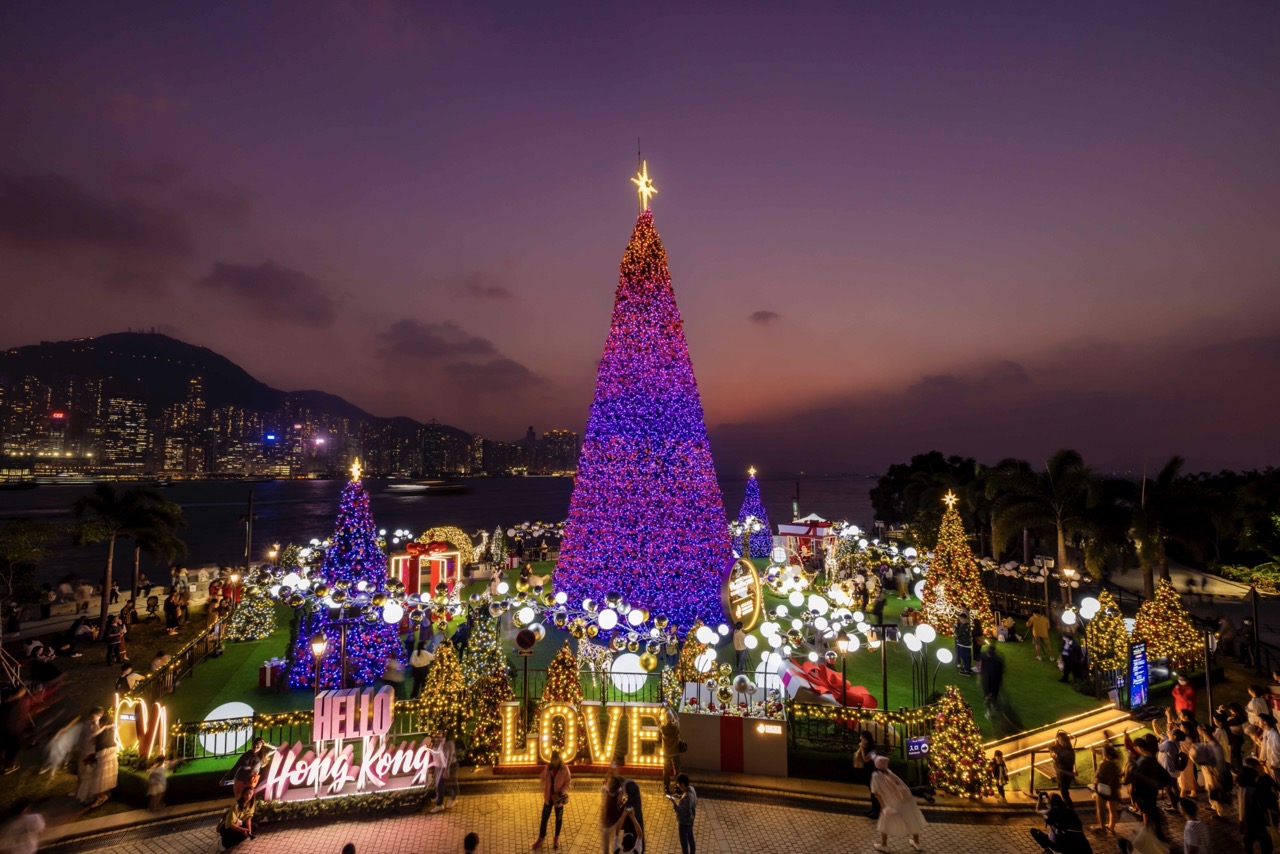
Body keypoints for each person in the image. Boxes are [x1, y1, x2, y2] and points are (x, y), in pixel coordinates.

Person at [870, 755, 926, 852]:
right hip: (906, 801)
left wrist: (883, 806)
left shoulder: (875, 776)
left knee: (885, 822)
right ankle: (917, 843)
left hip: (892, 803)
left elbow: (877, 793)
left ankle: (884, 845)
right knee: (912, 819)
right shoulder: (889, 772)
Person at [532, 749, 571, 850]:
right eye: (553, 760)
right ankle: (541, 837)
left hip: (558, 800)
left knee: (559, 819)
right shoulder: (548, 768)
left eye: (556, 759)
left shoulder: (564, 769)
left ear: (559, 759)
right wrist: (543, 776)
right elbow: (542, 777)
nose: (554, 762)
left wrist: (560, 793)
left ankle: (556, 838)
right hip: (548, 799)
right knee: (544, 819)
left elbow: (568, 783)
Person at [1238, 756, 1278, 854]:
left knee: (1248, 839)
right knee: (1265, 842)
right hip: (1259, 820)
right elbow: (1263, 805)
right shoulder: (1255, 790)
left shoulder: (1243, 787)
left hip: (1248, 817)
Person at [75, 707, 105, 805]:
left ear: (99, 716)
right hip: (85, 751)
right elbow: (83, 737)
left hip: (92, 753)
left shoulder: (99, 725)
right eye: (91, 715)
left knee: (90, 775)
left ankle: (90, 796)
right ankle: (82, 793)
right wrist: (79, 748)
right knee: (83, 773)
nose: (91, 717)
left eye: (93, 715)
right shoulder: (87, 724)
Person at [1092, 744, 1122, 833]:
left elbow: (1097, 777)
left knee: (1100, 808)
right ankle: (1111, 827)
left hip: (1102, 790)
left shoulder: (1104, 765)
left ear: (1107, 755)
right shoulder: (1116, 766)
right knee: (1113, 810)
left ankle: (1102, 827)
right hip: (1113, 790)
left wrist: (1094, 788)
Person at [1, 687, 30, 775]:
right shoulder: (22, 701)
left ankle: (7, 765)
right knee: (13, 746)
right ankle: (8, 766)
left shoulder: (9, 703)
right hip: (13, 730)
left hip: (8, 729)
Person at [853, 730, 881, 818]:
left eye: (863, 738)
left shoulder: (873, 750)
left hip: (873, 771)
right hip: (866, 771)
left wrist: (862, 749)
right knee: (871, 790)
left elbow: (866, 759)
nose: (862, 740)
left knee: (874, 791)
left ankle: (877, 811)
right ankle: (873, 809)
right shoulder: (864, 748)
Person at [429, 731, 457, 813]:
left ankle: (440, 804)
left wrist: (446, 769)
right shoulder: (436, 743)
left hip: (443, 766)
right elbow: (435, 756)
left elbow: (448, 757)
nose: (437, 735)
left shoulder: (445, 743)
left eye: (439, 734)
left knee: (440, 784)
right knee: (438, 785)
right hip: (438, 766)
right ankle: (439, 799)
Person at [670, 773, 696, 854]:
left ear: (682, 784)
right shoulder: (691, 789)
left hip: (684, 824)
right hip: (691, 820)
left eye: (678, 784)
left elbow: (679, 811)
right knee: (691, 839)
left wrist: (673, 802)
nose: (678, 786)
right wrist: (679, 796)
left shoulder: (684, 799)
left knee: (684, 843)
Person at [599, 775, 626, 854]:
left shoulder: (605, 790)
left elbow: (604, 783)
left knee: (606, 848)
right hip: (613, 824)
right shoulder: (619, 794)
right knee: (614, 847)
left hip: (605, 823)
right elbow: (624, 784)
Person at [1050, 730, 1076, 808]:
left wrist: (1056, 744)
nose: (1059, 742)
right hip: (1063, 773)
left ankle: (1070, 809)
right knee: (1064, 791)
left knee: (1064, 792)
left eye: (1060, 740)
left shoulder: (1063, 750)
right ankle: (1068, 808)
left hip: (1064, 773)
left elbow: (1050, 747)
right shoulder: (1068, 749)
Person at [660, 709, 682, 794]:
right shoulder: (676, 726)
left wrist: (660, 712)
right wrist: (672, 710)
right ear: (672, 718)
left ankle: (666, 787)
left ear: (665, 719)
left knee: (666, 770)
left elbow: (658, 721)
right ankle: (678, 786)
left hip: (666, 752)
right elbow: (677, 718)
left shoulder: (663, 728)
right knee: (677, 769)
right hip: (675, 751)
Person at [953, 610, 973, 676]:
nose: (960, 620)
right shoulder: (968, 625)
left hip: (963, 644)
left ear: (963, 619)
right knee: (967, 657)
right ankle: (967, 668)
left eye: (960, 619)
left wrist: (955, 629)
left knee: (964, 657)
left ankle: (966, 670)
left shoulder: (964, 626)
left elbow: (958, 634)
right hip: (967, 644)